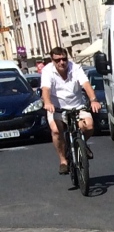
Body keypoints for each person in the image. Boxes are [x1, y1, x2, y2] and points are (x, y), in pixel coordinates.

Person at [40, 47, 101, 175]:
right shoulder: (47, 71)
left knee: (89, 126)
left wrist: (93, 100)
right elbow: (45, 89)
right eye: (58, 60)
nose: (61, 62)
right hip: (56, 107)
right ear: (52, 60)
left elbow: (86, 85)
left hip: (77, 105)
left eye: (64, 59)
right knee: (56, 130)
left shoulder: (76, 68)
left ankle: (82, 144)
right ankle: (63, 161)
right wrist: (48, 102)